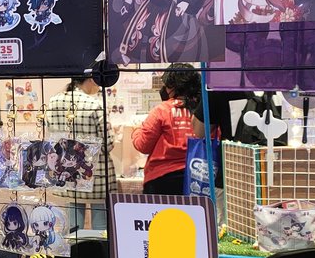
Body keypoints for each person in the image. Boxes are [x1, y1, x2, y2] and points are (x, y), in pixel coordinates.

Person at [45, 74, 116, 231]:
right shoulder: (95, 104)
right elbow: (108, 144)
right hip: (95, 173)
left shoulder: (54, 102)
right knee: (101, 227)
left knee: (72, 227)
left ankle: (74, 247)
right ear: (90, 79)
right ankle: (98, 248)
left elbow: (52, 136)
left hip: (67, 172)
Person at [132, 64, 200, 194]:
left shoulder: (162, 110)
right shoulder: (202, 111)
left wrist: (136, 131)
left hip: (161, 178)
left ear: (172, 87)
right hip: (197, 177)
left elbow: (143, 145)